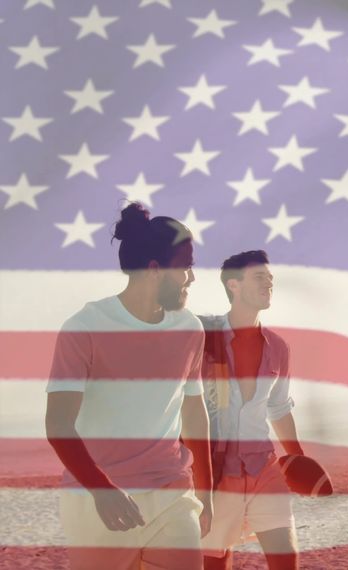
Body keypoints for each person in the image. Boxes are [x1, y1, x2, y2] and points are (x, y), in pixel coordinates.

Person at [44, 202, 212, 569]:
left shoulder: (189, 330)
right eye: (186, 266)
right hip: (97, 502)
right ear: (154, 270)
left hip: (172, 493)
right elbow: (58, 424)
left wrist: (208, 493)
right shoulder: (85, 328)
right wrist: (102, 490)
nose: (192, 278)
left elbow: (194, 412)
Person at [199, 250, 303, 570]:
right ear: (234, 284)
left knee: (286, 560)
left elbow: (278, 407)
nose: (269, 282)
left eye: (270, 278)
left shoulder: (278, 347)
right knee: (214, 562)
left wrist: (298, 458)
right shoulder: (202, 335)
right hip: (215, 471)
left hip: (264, 468)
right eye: (260, 277)